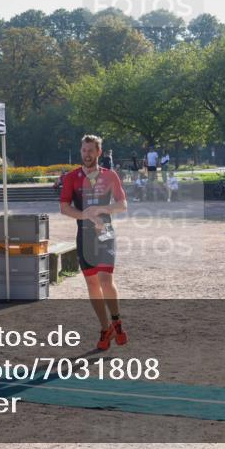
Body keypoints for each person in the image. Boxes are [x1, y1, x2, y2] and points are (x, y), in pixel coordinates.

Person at [59, 135, 128, 350]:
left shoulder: (110, 176)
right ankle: (104, 327)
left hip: (105, 232)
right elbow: (64, 207)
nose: (86, 154)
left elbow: (122, 204)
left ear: (99, 152)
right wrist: (85, 215)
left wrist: (101, 209)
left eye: (90, 150)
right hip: (84, 235)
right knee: (92, 283)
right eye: (83, 150)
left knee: (105, 279)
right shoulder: (71, 177)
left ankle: (116, 321)